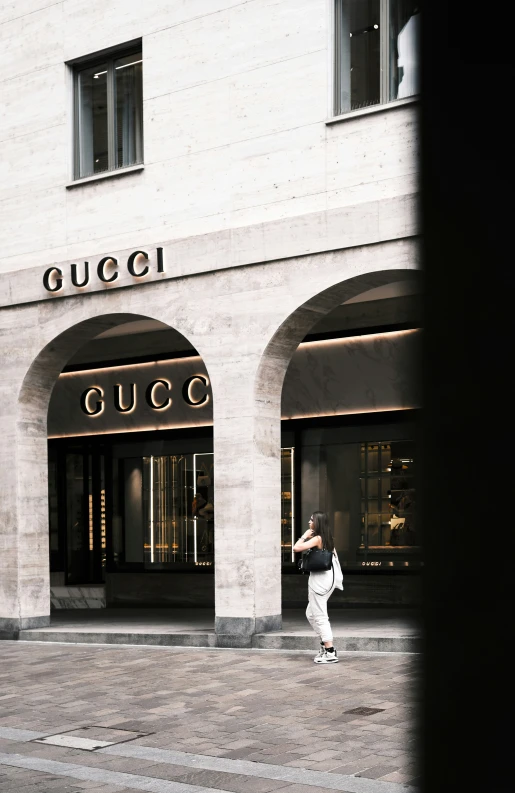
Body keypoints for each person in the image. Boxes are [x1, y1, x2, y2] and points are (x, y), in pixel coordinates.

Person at [293, 511, 344, 664]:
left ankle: (329, 651)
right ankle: (324, 643)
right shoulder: (328, 538)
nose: (309, 522)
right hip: (328, 581)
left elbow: (296, 548)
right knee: (311, 613)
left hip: (320, 583)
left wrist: (304, 535)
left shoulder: (317, 538)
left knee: (320, 615)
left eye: (311, 520)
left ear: (317, 523)